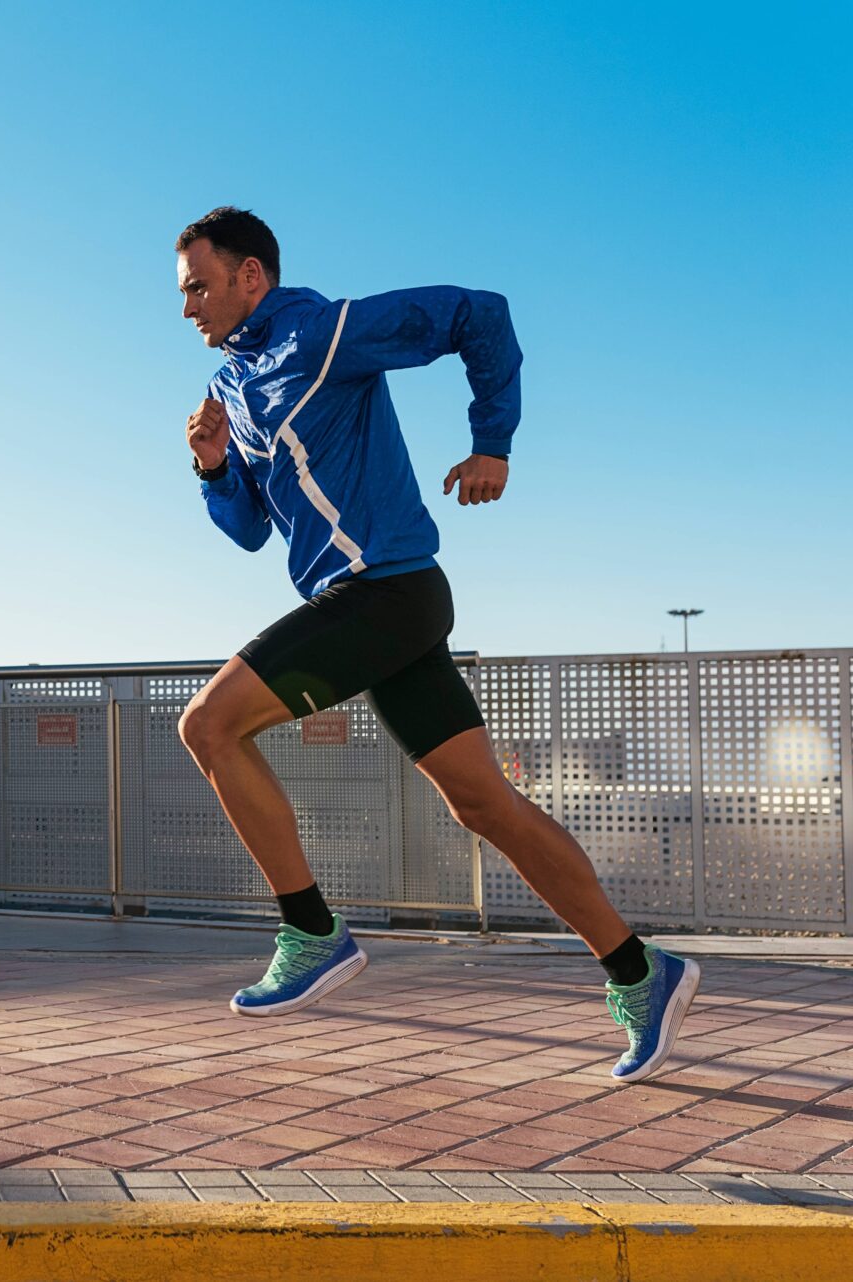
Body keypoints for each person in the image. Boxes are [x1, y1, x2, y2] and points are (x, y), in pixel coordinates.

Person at [173, 206, 698, 1084]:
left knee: (209, 726)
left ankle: (310, 933)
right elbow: (252, 535)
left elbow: (476, 314)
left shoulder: (319, 331)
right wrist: (215, 468)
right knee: (484, 805)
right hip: (375, 610)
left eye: (197, 285)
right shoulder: (233, 388)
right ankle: (643, 974)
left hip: (386, 594)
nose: (187, 306)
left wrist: (492, 443)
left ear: (248, 276)